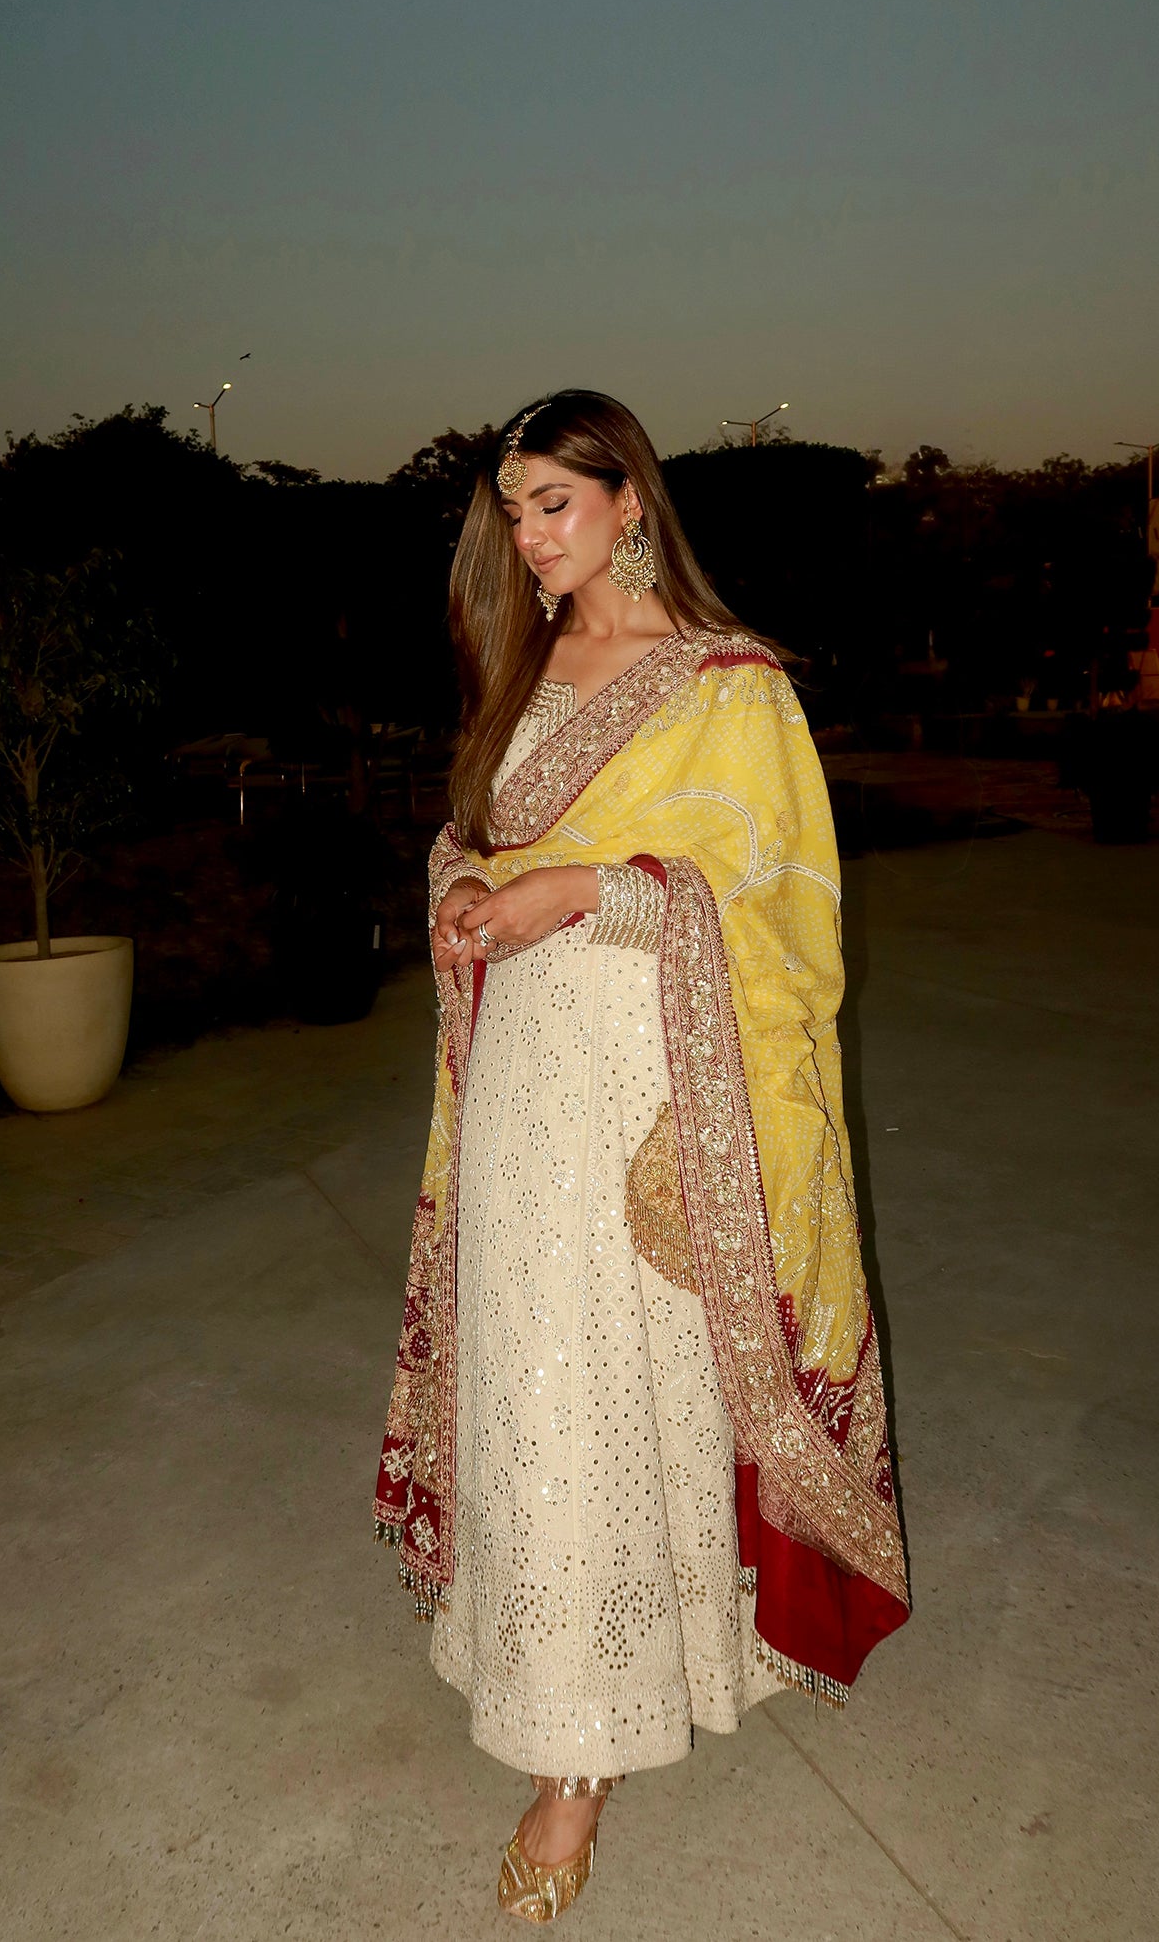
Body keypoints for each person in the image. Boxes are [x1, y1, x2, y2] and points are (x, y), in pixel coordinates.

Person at [373, 390, 909, 1922]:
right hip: (524, 1073)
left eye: (555, 502)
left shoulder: (729, 685)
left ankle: (578, 1764)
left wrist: (591, 898)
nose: (530, 536)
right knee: (532, 1371)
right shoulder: (528, 662)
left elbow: (783, 918)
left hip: (658, 1080)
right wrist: (477, 884)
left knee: (613, 1379)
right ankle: (552, 1662)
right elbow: (476, 830)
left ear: (629, 501)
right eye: (513, 508)